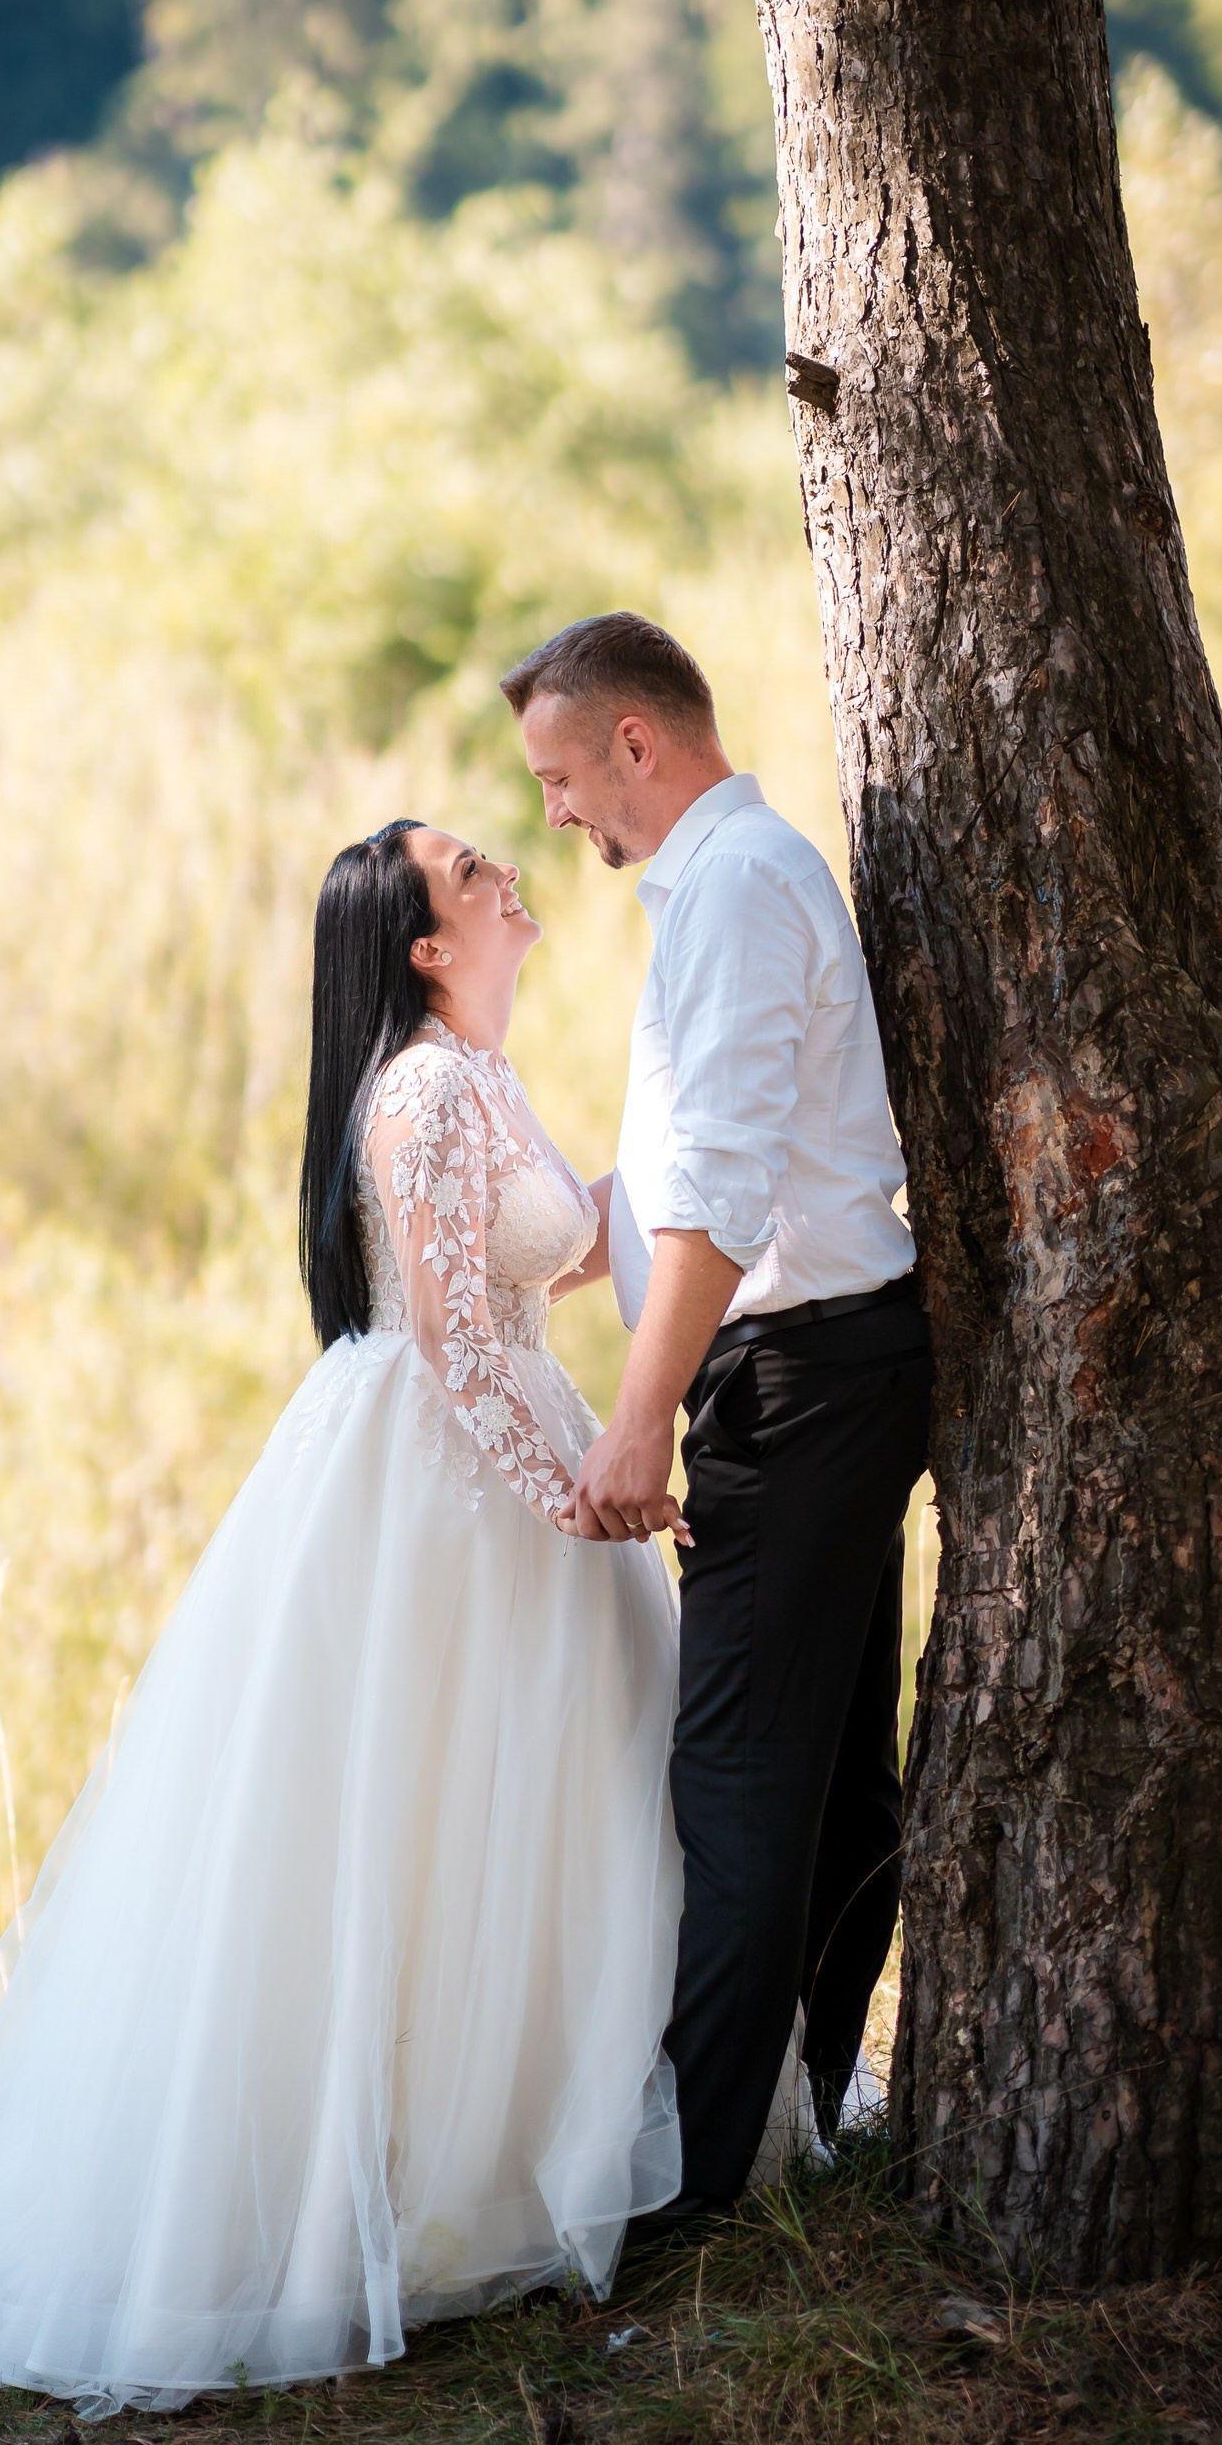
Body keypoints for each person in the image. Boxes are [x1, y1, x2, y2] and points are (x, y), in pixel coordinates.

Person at [0, 816, 808, 2414]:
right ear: (419, 937)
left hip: (520, 1447)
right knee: (417, 1815)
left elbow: (575, 1249)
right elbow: (461, 1340)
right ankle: (411, 2185)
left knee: (555, 1811)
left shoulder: (490, 1082)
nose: (508, 867)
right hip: (446, 1483)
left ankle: (534, 2154)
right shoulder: (416, 1089)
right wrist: (584, 1491)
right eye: (473, 865)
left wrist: (714, 1170)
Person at [503, 615, 932, 2246]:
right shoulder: (720, 891)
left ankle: (688, 2204)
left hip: (804, 1377)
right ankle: (805, 2124)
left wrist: (639, 1419)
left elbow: (730, 1190)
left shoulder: (741, 888)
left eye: (562, 776)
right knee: (820, 1779)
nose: (557, 815)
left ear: (637, 744)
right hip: (825, 1366)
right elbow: (685, 1176)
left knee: (739, 1782)